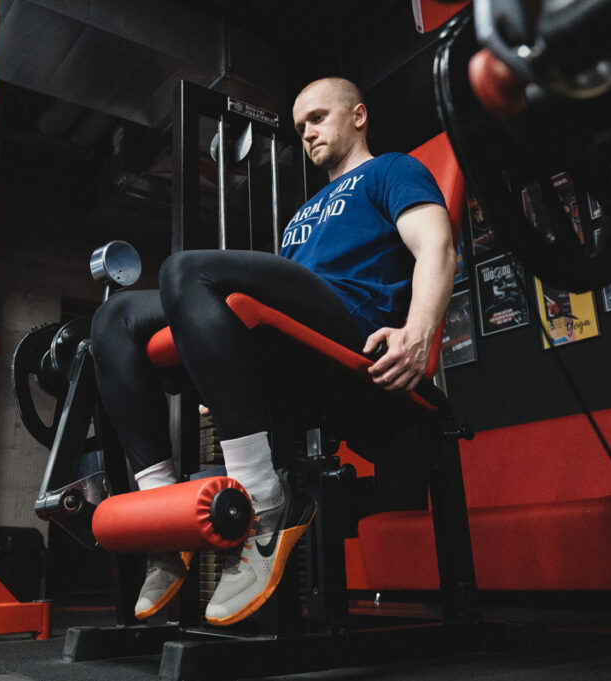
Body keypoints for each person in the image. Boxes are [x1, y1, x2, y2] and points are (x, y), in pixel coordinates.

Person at [88, 77, 455, 626]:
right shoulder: (303, 213)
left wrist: (419, 331)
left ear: (358, 116)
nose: (306, 132)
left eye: (318, 117)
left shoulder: (391, 170)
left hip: (352, 329)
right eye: (301, 124)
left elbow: (436, 245)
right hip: (294, 342)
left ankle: (263, 505)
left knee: (185, 268)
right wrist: (224, 372)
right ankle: (164, 529)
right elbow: (260, 315)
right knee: (113, 318)